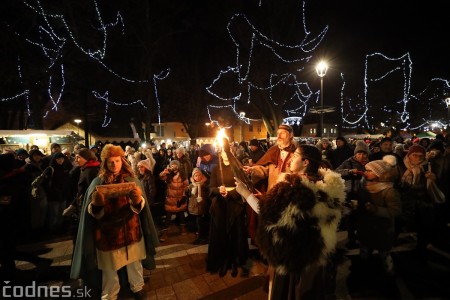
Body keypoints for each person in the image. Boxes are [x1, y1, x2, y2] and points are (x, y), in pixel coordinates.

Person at [235, 144, 346, 299]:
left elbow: (266, 213)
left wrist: (245, 193)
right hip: (316, 255)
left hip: (291, 255)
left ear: (306, 162)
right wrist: (267, 199)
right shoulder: (325, 186)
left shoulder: (293, 188)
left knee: (288, 293)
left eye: (295, 156)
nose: (290, 159)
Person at [70, 144, 159, 299]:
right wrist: (97, 204)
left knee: (135, 264)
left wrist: (137, 200)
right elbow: (91, 212)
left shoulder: (132, 180)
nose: (114, 164)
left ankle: (137, 286)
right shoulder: (98, 182)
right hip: (107, 234)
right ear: (105, 163)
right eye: (111, 161)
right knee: (109, 268)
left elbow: (141, 209)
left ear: (122, 160)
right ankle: (110, 293)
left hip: (131, 230)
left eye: (117, 161)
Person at [207, 146, 250, 278]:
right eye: (222, 154)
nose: (224, 156)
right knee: (222, 234)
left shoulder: (236, 168)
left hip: (235, 206)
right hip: (220, 206)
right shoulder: (215, 169)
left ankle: (236, 262)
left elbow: (244, 186)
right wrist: (219, 190)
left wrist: (230, 193)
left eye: (227, 153)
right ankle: (224, 261)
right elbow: (211, 188)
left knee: (235, 234)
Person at [356, 155, 401, 276]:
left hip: (382, 228)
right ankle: (363, 270)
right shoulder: (365, 185)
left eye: (370, 170)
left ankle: (389, 273)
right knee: (364, 248)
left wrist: (376, 209)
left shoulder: (389, 190)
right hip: (366, 225)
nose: (366, 173)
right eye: (366, 170)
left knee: (384, 253)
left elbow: (395, 211)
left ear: (379, 173)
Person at [335, 140, 370, 249]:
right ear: (355, 154)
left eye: (364, 153)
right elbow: (336, 172)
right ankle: (351, 240)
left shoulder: (369, 163)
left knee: (361, 218)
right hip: (349, 194)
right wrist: (349, 171)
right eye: (359, 153)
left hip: (363, 194)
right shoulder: (348, 162)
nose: (361, 156)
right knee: (349, 218)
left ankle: (362, 238)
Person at [63, 148, 101, 245]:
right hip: (82, 206)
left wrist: (74, 205)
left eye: (78, 158)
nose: (76, 160)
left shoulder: (90, 171)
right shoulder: (85, 169)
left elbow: (89, 192)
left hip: (87, 208)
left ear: (86, 158)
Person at [159, 160, 189, 242]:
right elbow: (161, 178)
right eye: (172, 165)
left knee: (181, 213)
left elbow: (186, 186)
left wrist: (184, 195)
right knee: (168, 215)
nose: (173, 167)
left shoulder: (182, 175)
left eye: (175, 165)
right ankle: (165, 233)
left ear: (178, 166)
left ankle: (183, 228)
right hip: (170, 199)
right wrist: (164, 172)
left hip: (180, 198)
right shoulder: (168, 174)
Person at [187, 168, 210, 245]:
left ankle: (201, 237)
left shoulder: (205, 185)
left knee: (201, 223)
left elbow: (208, 194)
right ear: (193, 177)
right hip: (195, 206)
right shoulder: (191, 186)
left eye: (199, 175)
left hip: (203, 206)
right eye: (196, 176)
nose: (198, 177)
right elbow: (188, 193)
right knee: (197, 223)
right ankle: (199, 235)